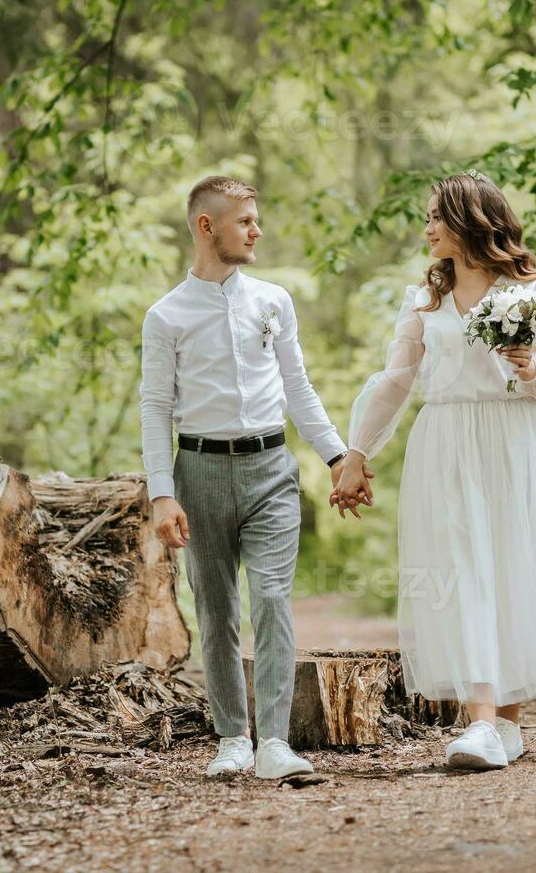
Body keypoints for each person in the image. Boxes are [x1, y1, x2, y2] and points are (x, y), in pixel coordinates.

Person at [331, 170, 536, 771]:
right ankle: (483, 722)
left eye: (436, 216)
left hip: (515, 440)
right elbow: (394, 383)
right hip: (448, 442)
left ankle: (501, 724)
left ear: (470, 221)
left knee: (511, 570)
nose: (427, 228)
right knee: (462, 568)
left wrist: (529, 368)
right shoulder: (424, 302)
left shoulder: (529, 292)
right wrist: (356, 453)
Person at [139, 175, 358, 779]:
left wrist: (337, 457)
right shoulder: (165, 316)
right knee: (214, 608)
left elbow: (299, 389)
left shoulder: (273, 301)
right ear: (207, 226)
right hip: (199, 471)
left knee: (271, 599)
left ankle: (276, 743)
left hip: (271, 469)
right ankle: (232, 736)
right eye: (245, 221)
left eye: (256, 219)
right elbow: (156, 408)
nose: (257, 230)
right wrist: (163, 493)